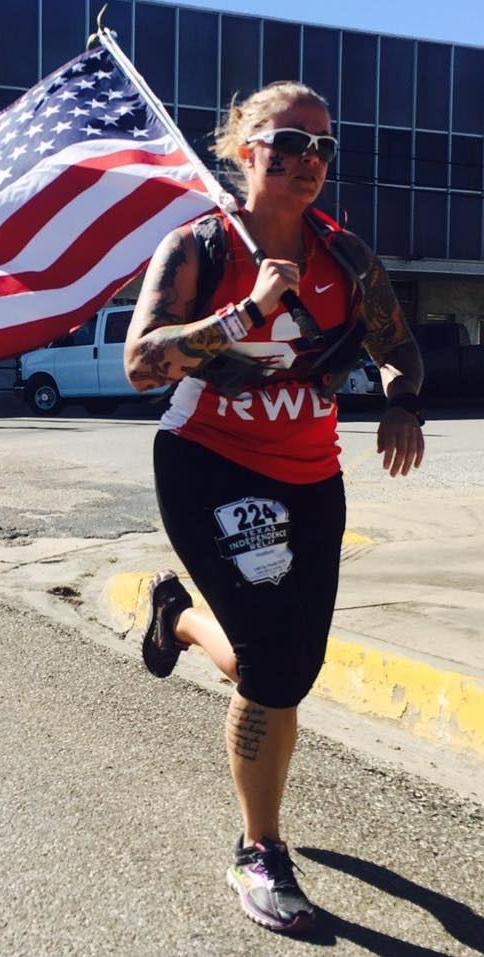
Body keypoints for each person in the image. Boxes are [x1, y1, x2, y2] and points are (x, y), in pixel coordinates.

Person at [123, 81, 425, 935]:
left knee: (292, 662)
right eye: (289, 142)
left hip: (308, 475)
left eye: (325, 147)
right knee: (274, 667)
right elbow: (142, 365)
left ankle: (177, 620)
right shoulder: (197, 247)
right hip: (209, 467)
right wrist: (246, 309)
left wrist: (404, 401)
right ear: (243, 148)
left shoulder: (347, 257)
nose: (309, 161)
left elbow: (394, 342)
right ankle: (259, 848)